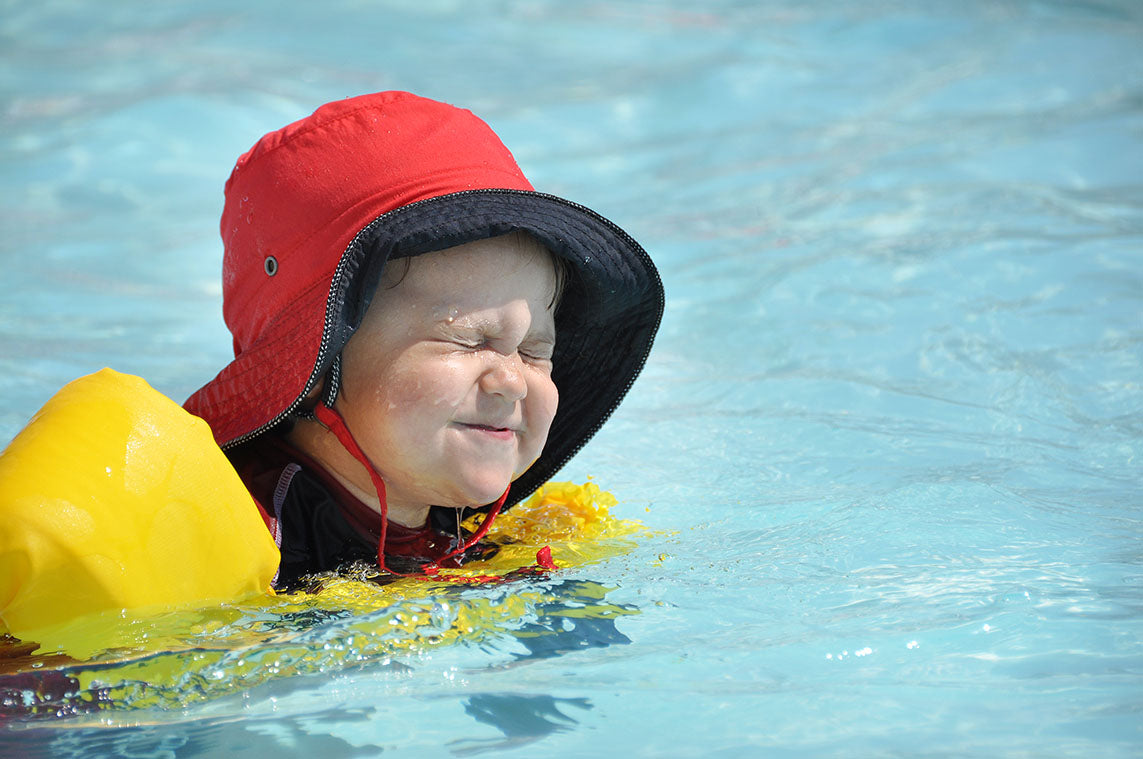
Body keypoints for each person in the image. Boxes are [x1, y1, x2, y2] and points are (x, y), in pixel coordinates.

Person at [184, 91, 664, 588]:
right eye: (468, 340)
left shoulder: (476, 532)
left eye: (533, 351)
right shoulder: (236, 537)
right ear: (316, 365)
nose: (513, 382)